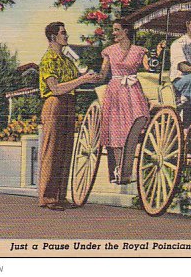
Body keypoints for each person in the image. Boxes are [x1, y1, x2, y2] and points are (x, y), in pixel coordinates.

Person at [39, 22, 98, 211]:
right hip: (54, 104)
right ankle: (47, 197)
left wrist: (88, 77)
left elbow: (75, 81)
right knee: (52, 151)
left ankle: (60, 197)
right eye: (63, 33)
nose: (67, 36)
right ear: (52, 37)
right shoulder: (48, 60)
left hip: (68, 105)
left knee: (66, 151)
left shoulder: (66, 60)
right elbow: (55, 88)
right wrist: (81, 79)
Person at [97, 19, 164, 184]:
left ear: (126, 31)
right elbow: (102, 75)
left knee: (135, 124)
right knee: (116, 129)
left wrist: (158, 52)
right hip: (115, 91)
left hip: (133, 91)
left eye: (116, 29)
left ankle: (128, 168)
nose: (113, 33)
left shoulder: (139, 51)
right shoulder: (110, 51)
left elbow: (151, 68)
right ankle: (118, 169)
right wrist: (87, 78)